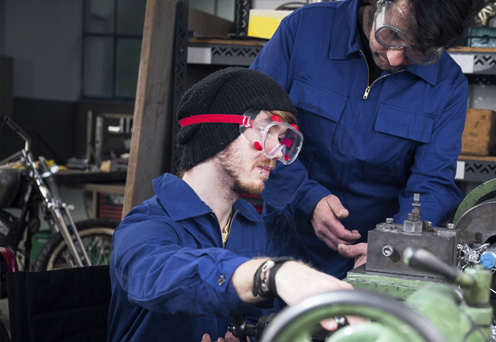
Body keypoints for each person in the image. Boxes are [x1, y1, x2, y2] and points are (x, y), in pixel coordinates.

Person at [107, 67, 353, 341]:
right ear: (219, 131)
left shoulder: (254, 226)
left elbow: (255, 319)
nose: (277, 151)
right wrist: (268, 274)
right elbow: (154, 275)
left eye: (284, 138)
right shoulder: (145, 225)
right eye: (267, 130)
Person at [249, 0, 473, 278]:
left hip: (372, 260)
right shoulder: (303, 30)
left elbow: (432, 184)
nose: (394, 58)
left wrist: (393, 246)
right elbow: (255, 126)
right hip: (281, 241)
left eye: (419, 50)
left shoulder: (447, 84)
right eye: (391, 35)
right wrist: (305, 198)